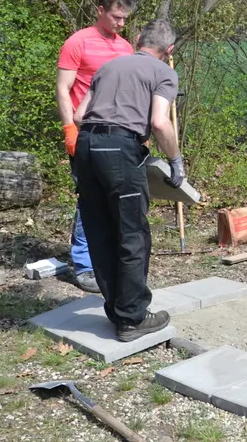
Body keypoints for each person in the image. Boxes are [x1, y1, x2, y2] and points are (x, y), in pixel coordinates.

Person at [73, 19, 184, 342]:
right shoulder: (163, 73)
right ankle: (133, 318)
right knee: (132, 234)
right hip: (119, 149)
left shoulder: (108, 67)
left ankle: (117, 310)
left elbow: (79, 115)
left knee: (100, 230)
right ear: (169, 50)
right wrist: (175, 161)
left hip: (86, 146)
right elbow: (159, 122)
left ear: (137, 39)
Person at [56, 0, 135, 293]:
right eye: (116, 17)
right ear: (100, 10)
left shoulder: (126, 48)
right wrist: (69, 129)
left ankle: (108, 259)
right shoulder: (78, 42)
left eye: (125, 19)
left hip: (119, 137)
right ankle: (85, 265)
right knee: (89, 199)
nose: (121, 24)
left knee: (116, 198)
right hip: (86, 135)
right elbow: (63, 89)